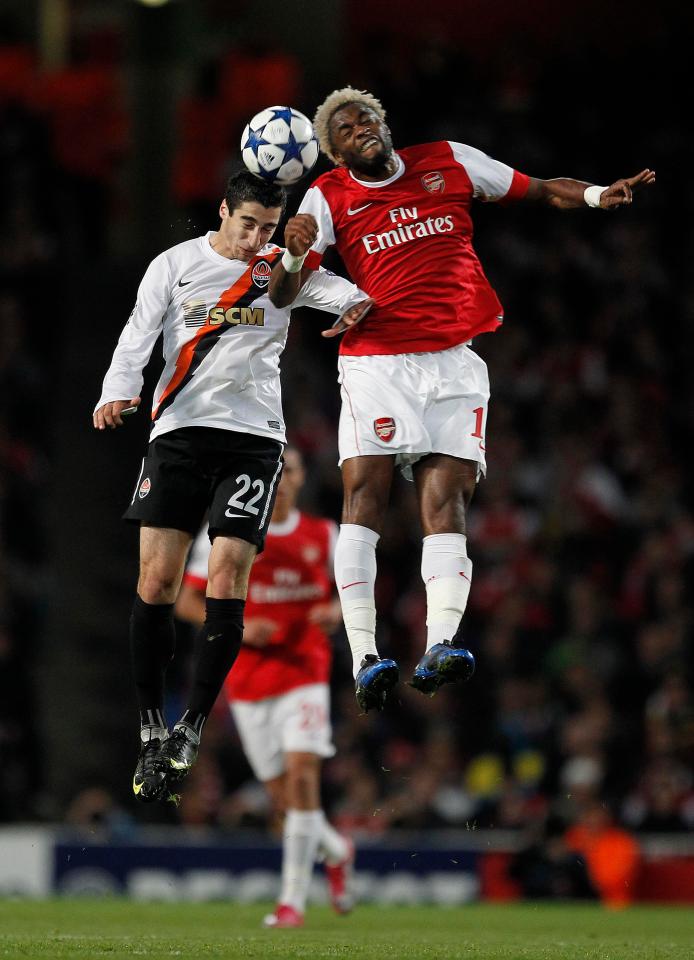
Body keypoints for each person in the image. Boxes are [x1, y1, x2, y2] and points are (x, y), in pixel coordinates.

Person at [269, 86, 655, 712]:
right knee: (366, 496)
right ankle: (365, 654)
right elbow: (286, 294)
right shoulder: (328, 198)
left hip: (457, 363)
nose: (359, 127)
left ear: (383, 123)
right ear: (333, 154)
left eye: (365, 116)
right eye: (342, 128)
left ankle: (440, 645)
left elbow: (535, 187)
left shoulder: (447, 159)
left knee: (447, 501)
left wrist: (592, 194)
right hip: (379, 363)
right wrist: (291, 250)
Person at [92, 170, 372, 804]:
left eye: (267, 228)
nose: (255, 238)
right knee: (156, 583)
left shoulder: (282, 268)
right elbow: (139, 331)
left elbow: (338, 294)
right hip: (180, 434)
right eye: (247, 223)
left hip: (253, 439)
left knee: (227, 579)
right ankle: (150, 725)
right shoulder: (175, 265)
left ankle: (191, 726)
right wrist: (118, 390)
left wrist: (353, 304)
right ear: (222, 210)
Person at [176, 446, 354, 928]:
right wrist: (239, 625)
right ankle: (337, 849)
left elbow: (353, 592)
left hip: (304, 671)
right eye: (273, 469)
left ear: (298, 480)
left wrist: (337, 613)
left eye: (289, 468)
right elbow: (186, 600)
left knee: (301, 780)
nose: (281, 476)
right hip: (250, 679)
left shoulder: (325, 534)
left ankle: (291, 903)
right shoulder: (228, 530)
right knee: (286, 802)